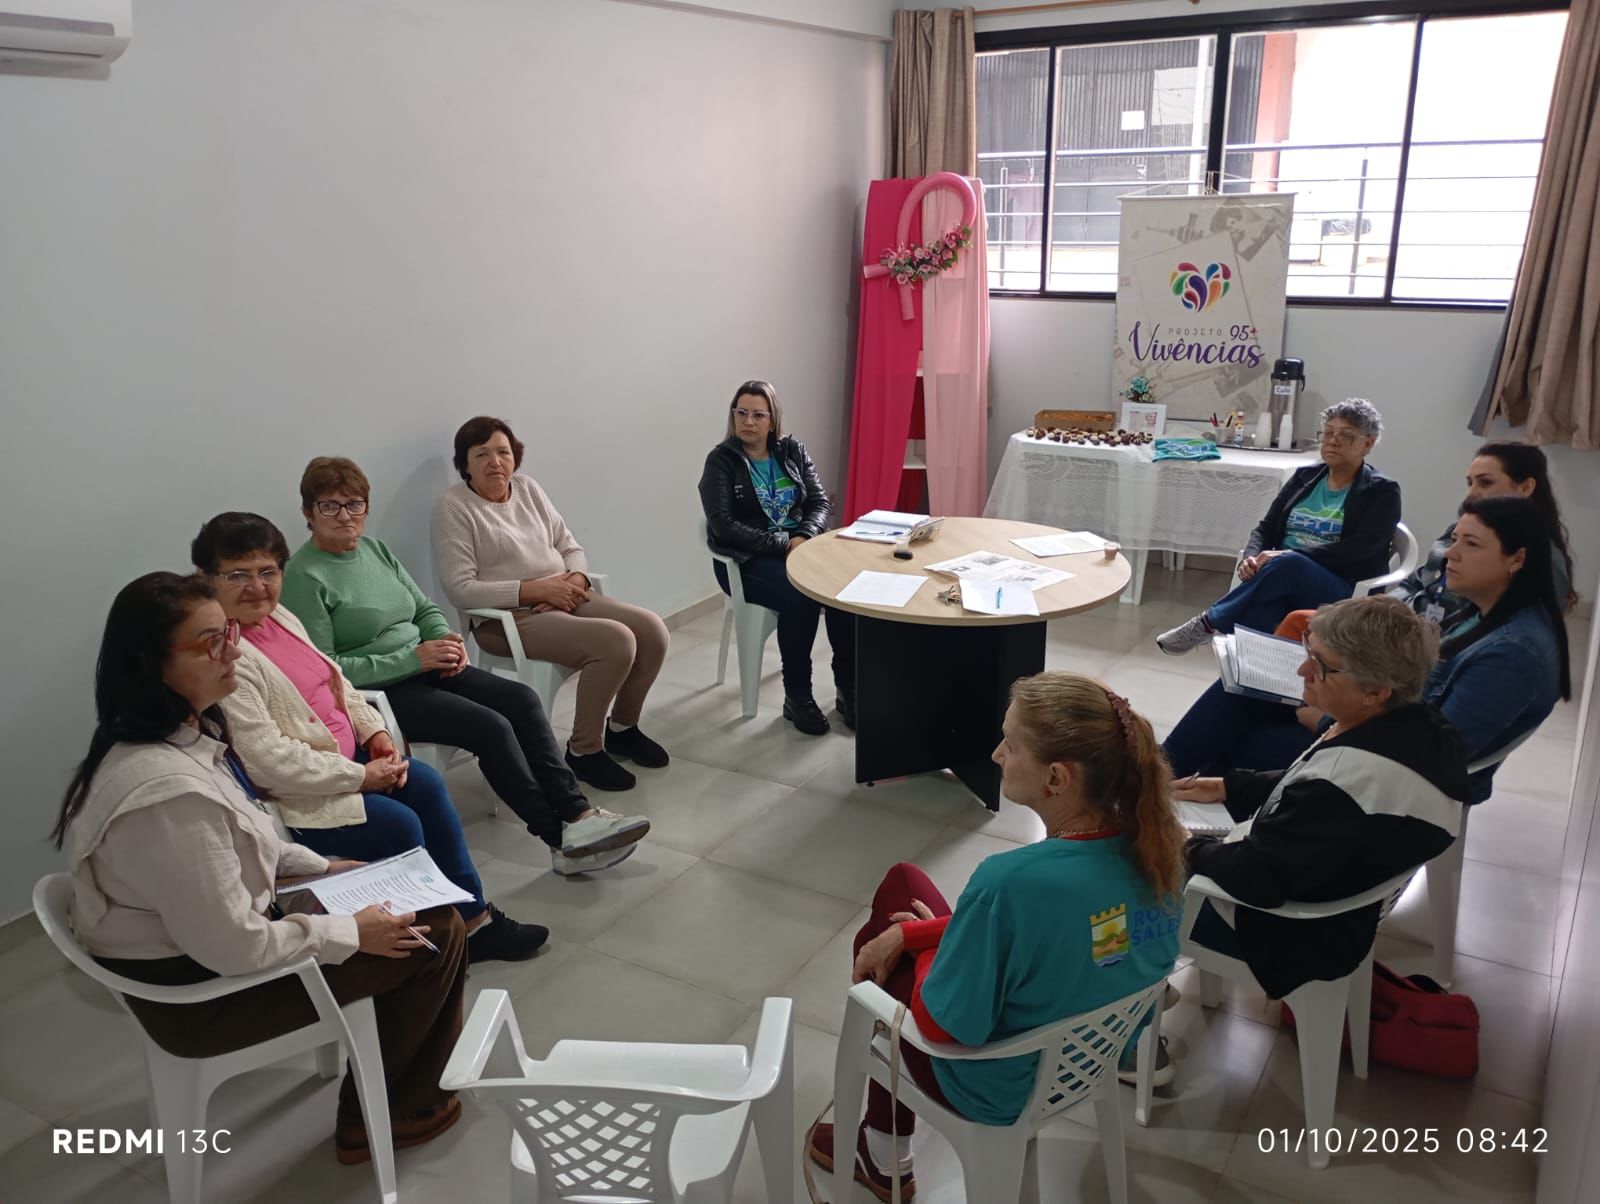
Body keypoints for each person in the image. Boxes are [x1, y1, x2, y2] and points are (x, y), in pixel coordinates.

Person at [53, 572, 466, 1165]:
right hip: (200, 996)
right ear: (152, 664)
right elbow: (235, 947)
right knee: (434, 934)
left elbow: (247, 839)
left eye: (229, 635)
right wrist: (351, 932)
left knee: (420, 911)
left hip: (207, 944)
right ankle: (391, 1112)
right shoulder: (169, 795)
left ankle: (396, 1081)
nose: (235, 652)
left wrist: (325, 867)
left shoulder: (177, 736)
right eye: (211, 644)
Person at [806, 672, 1184, 1200]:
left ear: (1056, 777)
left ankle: (882, 1151)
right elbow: (1095, 936)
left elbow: (942, 1027)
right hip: (1086, 1063)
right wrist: (924, 934)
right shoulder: (1157, 853)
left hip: (991, 1084)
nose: (995, 754)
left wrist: (924, 946)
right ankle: (881, 1143)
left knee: (897, 897)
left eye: (1010, 743)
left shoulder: (1010, 883)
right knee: (908, 903)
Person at [193, 511, 547, 963]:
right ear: (206, 578)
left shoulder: (279, 617)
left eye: (268, 572)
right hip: (302, 793)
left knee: (427, 784)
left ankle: (474, 920)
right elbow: (267, 760)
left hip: (350, 760)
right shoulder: (227, 654)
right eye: (238, 575)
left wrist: (374, 731)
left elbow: (337, 681)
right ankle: (427, 946)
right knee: (399, 824)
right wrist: (361, 776)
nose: (257, 587)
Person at [278, 456, 649, 876]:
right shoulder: (303, 576)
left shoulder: (375, 550)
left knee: (522, 700)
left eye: (354, 504)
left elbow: (423, 608)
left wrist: (446, 638)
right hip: (382, 693)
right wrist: (411, 658)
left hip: (429, 663)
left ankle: (578, 815)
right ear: (308, 512)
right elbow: (326, 670)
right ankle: (559, 839)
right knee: (489, 726)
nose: (345, 516)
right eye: (330, 506)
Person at [1164, 495, 1571, 805]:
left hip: (1393, 769)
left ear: (1517, 559)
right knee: (1243, 689)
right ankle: (1156, 787)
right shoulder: (1486, 612)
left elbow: (1432, 754)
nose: (1451, 553)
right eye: (1455, 539)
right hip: (1377, 725)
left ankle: (1163, 797)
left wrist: (1326, 721)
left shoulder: (1513, 654)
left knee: (1242, 741)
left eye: (1472, 544)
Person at [1173, 595, 1470, 1000]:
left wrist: (1188, 845)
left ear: (1374, 690)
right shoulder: (1422, 728)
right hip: (1337, 897)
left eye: (1322, 666)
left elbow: (1257, 879)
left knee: (1125, 868)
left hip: (1290, 935)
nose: (1302, 670)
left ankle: (1136, 1001)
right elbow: (1310, 789)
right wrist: (1230, 786)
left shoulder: (1343, 786)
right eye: (1309, 653)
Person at [432, 416, 671, 793]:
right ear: (465, 464)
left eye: (503, 452)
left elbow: (570, 547)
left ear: (515, 457)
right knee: (615, 641)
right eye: (481, 454)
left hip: (563, 594)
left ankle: (623, 729)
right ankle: (584, 751)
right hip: (507, 619)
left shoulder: (528, 489)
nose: (495, 462)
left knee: (652, 630)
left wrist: (575, 579)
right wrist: (535, 591)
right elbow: (461, 589)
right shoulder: (454, 507)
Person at [1157, 398, 1400, 654]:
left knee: (1289, 563)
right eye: (1328, 433)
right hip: (1282, 576)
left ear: (1367, 444)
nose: (1333, 441)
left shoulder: (1381, 491)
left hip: (1339, 586)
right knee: (1253, 617)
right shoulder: (1305, 478)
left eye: (1346, 436)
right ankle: (1250, 675)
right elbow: (1266, 528)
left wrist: (1288, 556)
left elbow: (1359, 549)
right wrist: (1250, 558)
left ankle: (1207, 623)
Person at [699, 380, 856, 735]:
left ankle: (849, 689)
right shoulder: (721, 461)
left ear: (773, 420)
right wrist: (782, 545)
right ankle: (797, 696)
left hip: (798, 548)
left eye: (758, 415)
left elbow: (819, 502)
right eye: (741, 413)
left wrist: (804, 536)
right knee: (801, 596)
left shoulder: (791, 451)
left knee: (844, 588)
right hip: (747, 560)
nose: (748, 421)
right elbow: (723, 525)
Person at [1395, 440, 1576, 629]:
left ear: (1525, 488)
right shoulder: (1462, 529)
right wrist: (1389, 609)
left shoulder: (1544, 562)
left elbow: (1505, 631)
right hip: (1408, 622)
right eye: (1470, 483)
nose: (1471, 494)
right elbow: (1418, 579)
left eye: (1486, 482)